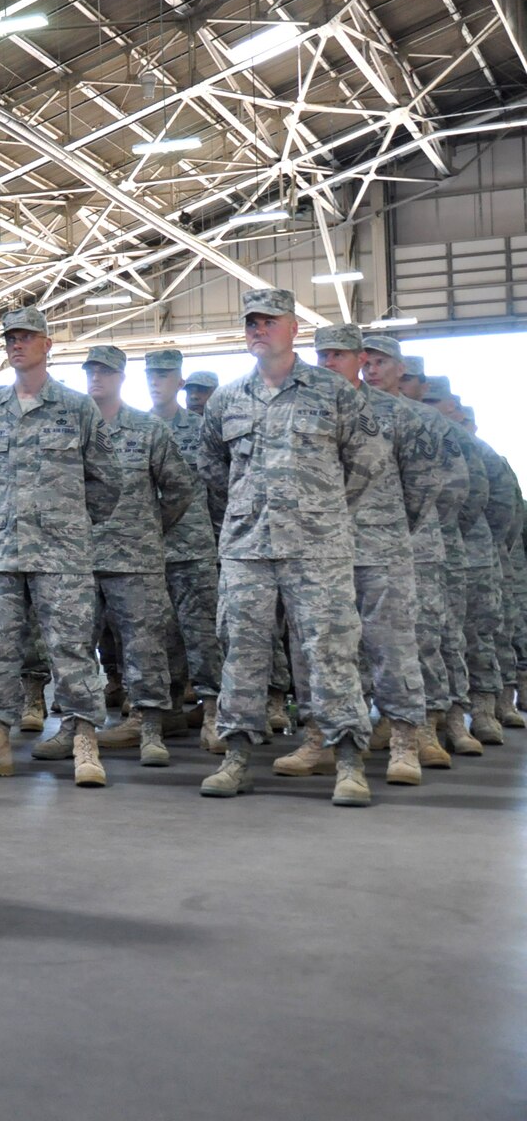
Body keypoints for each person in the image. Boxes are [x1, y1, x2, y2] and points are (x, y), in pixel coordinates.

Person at [197, 288, 382, 806]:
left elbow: (366, 462)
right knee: (241, 652)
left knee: (331, 653)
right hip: (246, 549)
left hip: (317, 550)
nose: (259, 329)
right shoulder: (227, 400)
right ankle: (236, 758)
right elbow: (213, 472)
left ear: (294, 327)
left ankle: (347, 761)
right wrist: (243, 515)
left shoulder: (333, 392)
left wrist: (321, 509)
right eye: (251, 322)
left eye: (269, 321)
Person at [0, 305, 120, 783]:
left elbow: (107, 480)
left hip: (61, 553)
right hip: (2, 552)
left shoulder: (76, 408)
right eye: (10, 338)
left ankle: (84, 738)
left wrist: (73, 525)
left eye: (26, 337)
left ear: (48, 344)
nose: (16, 344)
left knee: (71, 647)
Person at [311, 325, 436, 786]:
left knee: (393, 647)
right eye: (322, 355)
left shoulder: (396, 413)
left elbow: (423, 485)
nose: (328, 363)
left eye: (338, 354)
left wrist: (392, 527)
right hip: (321, 549)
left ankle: (405, 741)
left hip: (381, 548)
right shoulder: (307, 407)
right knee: (326, 649)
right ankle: (324, 737)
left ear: (360, 358)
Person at [72, 345, 197, 774]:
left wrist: (150, 527)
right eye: (90, 370)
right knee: (74, 647)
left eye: (105, 372)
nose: (96, 378)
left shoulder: (146, 430)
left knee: (147, 648)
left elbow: (180, 487)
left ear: (122, 377)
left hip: (136, 558)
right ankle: (77, 725)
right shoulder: (70, 430)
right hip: (78, 559)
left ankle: (148, 728)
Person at [360, 338, 467, 769]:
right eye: (366, 361)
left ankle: (428, 724)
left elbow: (454, 487)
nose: (371, 369)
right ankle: (381, 720)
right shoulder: (348, 412)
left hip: (415, 543)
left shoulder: (425, 420)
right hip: (354, 545)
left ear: (400, 368)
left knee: (421, 637)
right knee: (363, 642)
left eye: (381, 361)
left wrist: (406, 524)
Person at [421, 379, 516, 747]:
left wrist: (455, 532)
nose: (427, 404)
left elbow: (494, 503)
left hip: (468, 550)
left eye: (434, 399)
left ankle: (480, 709)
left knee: (474, 634)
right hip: (413, 546)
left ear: (450, 406)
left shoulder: (474, 448)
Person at [144, 349, 225, 749]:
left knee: (203, 635)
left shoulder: (203, 427)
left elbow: (220, 484)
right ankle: (164, 713)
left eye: (165, 374)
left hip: (193, 547)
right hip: (146, 551)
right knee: (155, 638)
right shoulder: (132, 427)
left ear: (179, 380)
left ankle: (212, 713)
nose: (156, 381)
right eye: (151, 375)